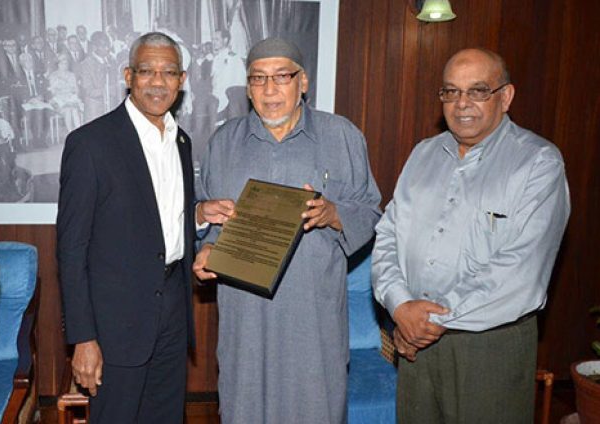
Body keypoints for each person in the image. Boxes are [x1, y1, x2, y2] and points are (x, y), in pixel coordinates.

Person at [372, 48, 570, 423]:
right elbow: (387, 236)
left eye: (477, 91)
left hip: (488, 347)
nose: (462, 104)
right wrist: (399, 306)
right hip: (416, 342)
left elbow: (521, 271)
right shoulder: (422, 154)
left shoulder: (538, 163)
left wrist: (425, 322)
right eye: (451, 91)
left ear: (506, 96)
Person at [194, 37, 382, 423]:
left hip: (312, 316)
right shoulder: (223, 143)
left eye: (281, 77)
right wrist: (207, 249)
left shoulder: (342, 136)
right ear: (247, 87)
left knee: (315, 407)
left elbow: (370, 210)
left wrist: (333, 214)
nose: (269, 90)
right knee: (244, 406)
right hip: (245, 316)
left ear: (304, 82)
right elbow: (211, 218)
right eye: (258, 79)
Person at [57, 32, 235, 423]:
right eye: (147, 71)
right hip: (115, 325)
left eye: (169, 72)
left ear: (182, 80)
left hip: (172, 309)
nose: (158, 82)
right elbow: (71, 251)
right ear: (128, 76)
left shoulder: (181, 141)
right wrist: (83, 339)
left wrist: (200, 213)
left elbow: (157, 221)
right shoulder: (90, 144)